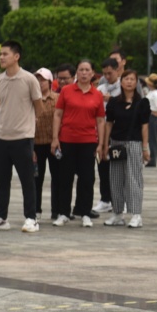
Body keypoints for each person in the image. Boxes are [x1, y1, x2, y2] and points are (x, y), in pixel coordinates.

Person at [0, 40, 42, 233]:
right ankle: (1, 218)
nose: (1, 57)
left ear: (16, 56)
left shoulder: (29, 79)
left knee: (27, 180)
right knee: (1, 180)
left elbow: (38, 107)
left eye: (5, 54)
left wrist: (26, 125)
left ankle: (31, 218)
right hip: (1, 137)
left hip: (23, 137)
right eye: (0, 54)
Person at [51, 60, 106, 227]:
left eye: (87, 70)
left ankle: (84, 212)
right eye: (81, 70)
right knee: (65, 178)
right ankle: (63, 213)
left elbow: (101, 121)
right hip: (67, 140)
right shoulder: (66, 91)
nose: (83, 73)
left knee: (87, 179)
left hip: (88, 141)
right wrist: (55, 138)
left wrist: (101, 144)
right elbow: (58, 115)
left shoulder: (97, 94)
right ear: (77, 73)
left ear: (92, 74)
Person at [101, 69, 151, 228]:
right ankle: (117, 213)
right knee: (115, 178)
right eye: (126, 79)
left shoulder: (142, 102)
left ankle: (136, 214)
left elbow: (145, 126)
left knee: (133, 179)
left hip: (134, 143)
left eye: (132, 79)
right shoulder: (114, 102)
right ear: (121, 82)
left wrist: (145, 147)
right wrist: (104, 144)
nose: (129, 81)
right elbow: (109, 123)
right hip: (116, 143)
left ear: (136, 82)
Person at [93, 56, 123, 214]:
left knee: (118, 166)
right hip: (100, 134)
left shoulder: (125, 88)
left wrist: (111, 100)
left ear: (117, 70)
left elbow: (131, 106)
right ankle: (105, 199)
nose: (107, 76)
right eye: (104, 73)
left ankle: (120, 199)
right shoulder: (99, 90)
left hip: (118, 134)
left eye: (110, 73)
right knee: (101, 165)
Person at [33, 68, 59, 220]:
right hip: (36, 145)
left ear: (49, 82)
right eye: (37, 79)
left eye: (42, 80)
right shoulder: (31, 99)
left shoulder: (58, 98)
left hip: (54, 144)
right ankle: (36, 210)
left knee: (57, 178)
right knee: (36, 178)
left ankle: (56, 210)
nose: (40, 83)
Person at [144, 73, 157, 168]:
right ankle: (151, 158)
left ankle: (153, 159)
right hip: (150, 116)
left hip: (153, 117)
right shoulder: (152, 92)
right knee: (151, 139)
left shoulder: (155, 93)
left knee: (152, 139)